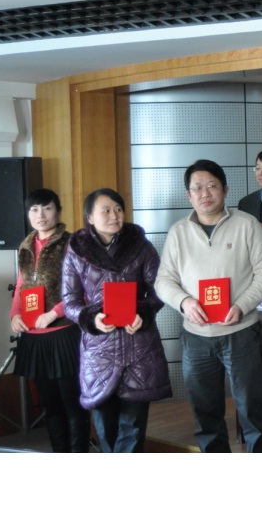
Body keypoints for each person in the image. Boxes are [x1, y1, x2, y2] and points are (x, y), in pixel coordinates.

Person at [155, 159, 262, 453]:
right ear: (189, 195)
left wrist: (243, 305)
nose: (205, 193)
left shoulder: (247, 225)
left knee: (252, 410)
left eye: (212, 186)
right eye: (197, 188)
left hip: (241, 333)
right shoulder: (178, 232)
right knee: (205, 413)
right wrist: (184, 302)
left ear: (225, 189)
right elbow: (163, 281)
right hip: (196, 338)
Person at [61, 189, 171, 452]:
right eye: (106, 210)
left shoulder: (141, 246)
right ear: (90, 217)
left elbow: (160, 290)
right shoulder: (77, 251)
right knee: (105, 427)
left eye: (118, 209)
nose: (114, 215)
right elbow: (69, 301)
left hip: (139, 346)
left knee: (133, 428)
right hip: (99, 351)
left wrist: (143, 314)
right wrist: (92, 319)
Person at [9, 188, 90, 452]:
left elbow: (82, 287)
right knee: (51, 406)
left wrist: (54, 312)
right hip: (34, 337)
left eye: (47, 208)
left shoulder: (72, 243)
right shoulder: (24, 246)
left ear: (58, 211)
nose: (40, 215)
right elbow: (21, 285)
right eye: (34, 209)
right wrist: (15, 315)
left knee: (72, 404)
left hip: (64, 333)